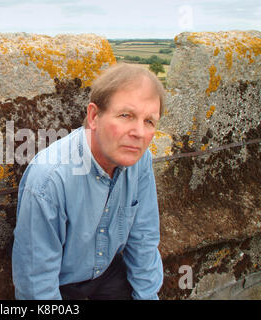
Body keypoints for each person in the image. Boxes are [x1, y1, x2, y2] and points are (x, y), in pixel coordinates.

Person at [12, 63, 165, 300]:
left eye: (149, 121)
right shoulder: (49, 180)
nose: (139, 133)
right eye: (126, 115)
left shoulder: (140, 160)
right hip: (62, 287)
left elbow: (143, 239)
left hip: (108, 274)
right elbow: (36, 284)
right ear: (94, 116)